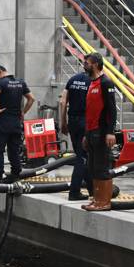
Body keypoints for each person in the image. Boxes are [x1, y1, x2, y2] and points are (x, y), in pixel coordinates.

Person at [81, 53, 117, 211]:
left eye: (86, 63)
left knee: (102, 167)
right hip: (91, 131)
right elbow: (90, 111)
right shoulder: (91, 82)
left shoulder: (106, 82)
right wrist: (86, 134)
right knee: (92, 167)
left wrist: (110, 132)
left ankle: (104, 202)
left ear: (95, 64)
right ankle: (96, 199)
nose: (84, 65)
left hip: (102, 131)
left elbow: (112, 109)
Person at [0, 65, 34, 183]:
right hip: (16, 122)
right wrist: (23, 112)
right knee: (14, 149)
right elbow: (31, 99)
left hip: (3, 121)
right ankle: (15, 173)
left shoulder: (1, 83)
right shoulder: (20, 82)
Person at [59, 59, 93, 201]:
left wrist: (63, 122)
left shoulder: (73, 80)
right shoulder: (93, 82)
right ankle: (74, 192)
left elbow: (62, 101)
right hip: (85, 121)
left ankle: (92, 190)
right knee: (83, 157)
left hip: (72, 120)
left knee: (82, 154)